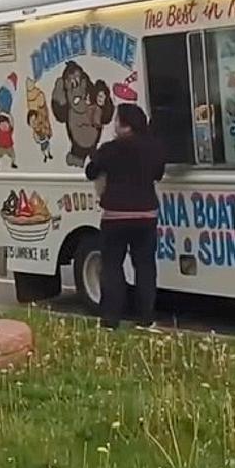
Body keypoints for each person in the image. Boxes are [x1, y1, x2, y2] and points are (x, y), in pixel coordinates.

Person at [84, 103, 165, 330]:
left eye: (117, 121)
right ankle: (146, 319)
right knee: (145, 266)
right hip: (145, 214)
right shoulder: (154, 147)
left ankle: (110, 320)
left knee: (111, 267)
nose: (114, 125)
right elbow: (158, 173)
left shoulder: (110, 149)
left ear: (124, 124)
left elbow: (91, 172)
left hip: (115, 216)